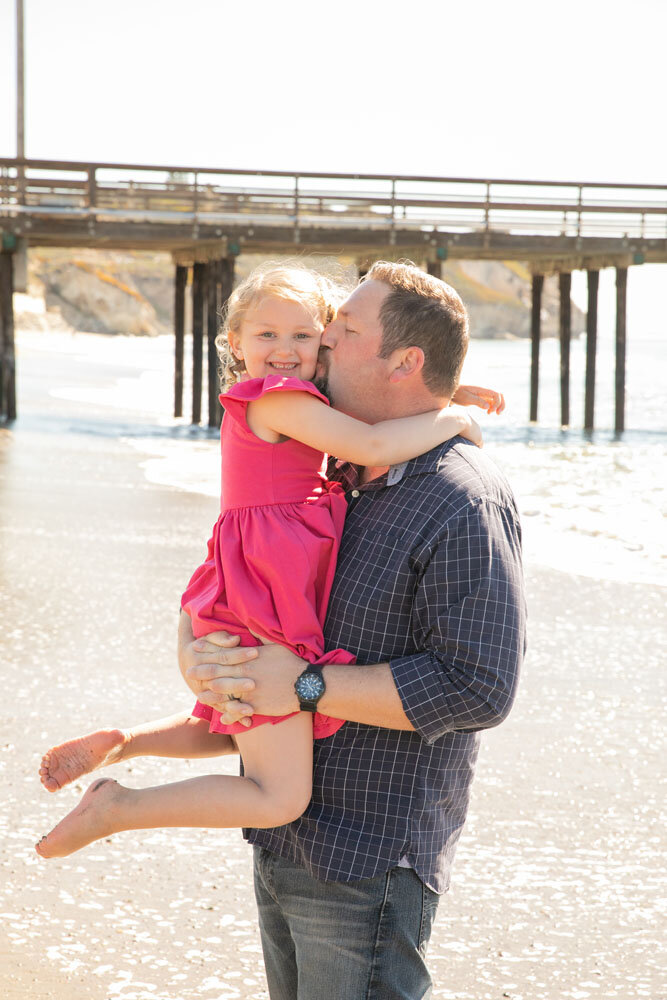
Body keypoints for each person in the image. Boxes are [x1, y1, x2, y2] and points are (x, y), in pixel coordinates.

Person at [36, 263, 499, 861]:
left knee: (244, 713)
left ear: (323, 342)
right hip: (267, 583)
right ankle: (118, 808)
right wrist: (456, 420)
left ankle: (122, 743)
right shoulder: (276, 399)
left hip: (254, 573)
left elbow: (367, 399)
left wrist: (443, 392)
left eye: (303, 337)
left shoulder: (295, 397)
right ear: (234, 343)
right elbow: (373, 444)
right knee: (278, 794)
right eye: (266, 336)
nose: (285, 350)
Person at [177, 260, 526, 999]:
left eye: (341, 330)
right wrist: (196, 647)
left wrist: (305, 686)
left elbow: (477, 688)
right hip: (284, 833)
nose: (321, 342)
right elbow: (249, 574)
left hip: (367, 858)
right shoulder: (339, 469)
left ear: (404, 361)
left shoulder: (460, 497)